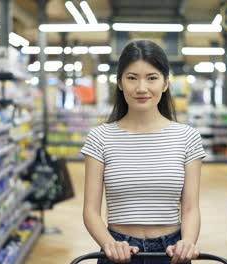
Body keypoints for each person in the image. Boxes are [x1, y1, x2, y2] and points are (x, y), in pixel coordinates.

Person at [81, 39, 206, 264]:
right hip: (118, 250)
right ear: (119, 83)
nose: (141, 88)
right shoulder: (100, 138)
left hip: (172, 252)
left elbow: (190, 208)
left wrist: (188, 241)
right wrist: (109, 244)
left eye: (152, 78)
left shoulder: (187, 137)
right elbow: (90, 211)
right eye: (131, 78)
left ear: (166, 83)